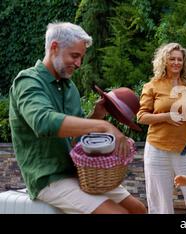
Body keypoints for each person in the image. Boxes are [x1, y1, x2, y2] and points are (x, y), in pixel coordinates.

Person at [8, 22, 147, 214]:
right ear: (54, 47)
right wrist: (101, 125)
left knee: (139, 209)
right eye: (74, 56)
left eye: (81, 57)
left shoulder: (69, 87)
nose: (79, 64)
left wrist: (97, 115)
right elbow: (43, 122)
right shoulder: (28, 81)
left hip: (82, 173)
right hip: (49, 178)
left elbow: (76, 139)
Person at [137, 42, 186, 214]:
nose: (176, 62)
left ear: (184, 62)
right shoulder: (152, 86)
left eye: (179, 59)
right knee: (159, 199)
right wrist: (166, 117)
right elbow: (141, 116)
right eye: (171, 58)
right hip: (157, 149)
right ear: (164, 61)